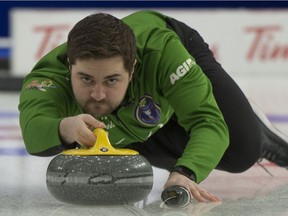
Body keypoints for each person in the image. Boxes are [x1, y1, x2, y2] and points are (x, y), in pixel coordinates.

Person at [18, 10, 288, 203]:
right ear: (69, 67)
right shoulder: (48, 79)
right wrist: (63, 127)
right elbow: (33, 132)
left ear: (132, 68)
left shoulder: (164, 54)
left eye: (112, 80)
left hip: (176, 47)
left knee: (242, 153)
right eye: (86, 79)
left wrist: (184, 173)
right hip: (141, 105)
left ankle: (249, 122)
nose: (98, 94)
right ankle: (135, 128)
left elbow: (207, 123)